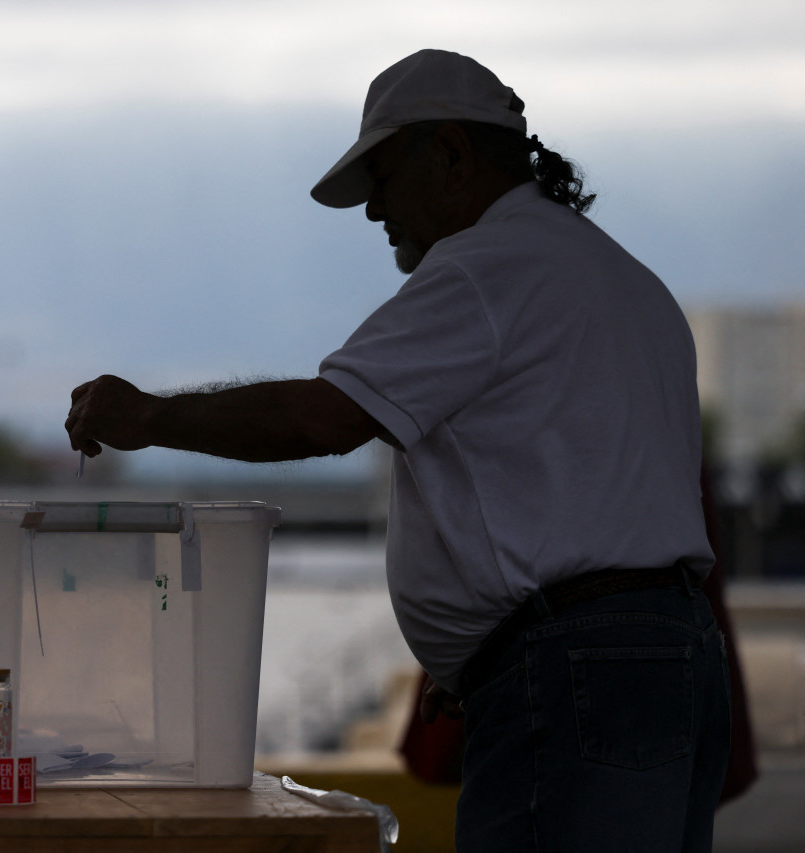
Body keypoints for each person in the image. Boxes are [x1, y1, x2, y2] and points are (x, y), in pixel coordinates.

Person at [65, 49, 730, 852]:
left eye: (380, 177)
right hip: (660, 659)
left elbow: (327, 418)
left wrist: (148, 415)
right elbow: (581, 492)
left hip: (580, 667)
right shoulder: (618, 276)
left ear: (448, 152)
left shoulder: (486, 268)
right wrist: (488, 653)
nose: (375, 210)